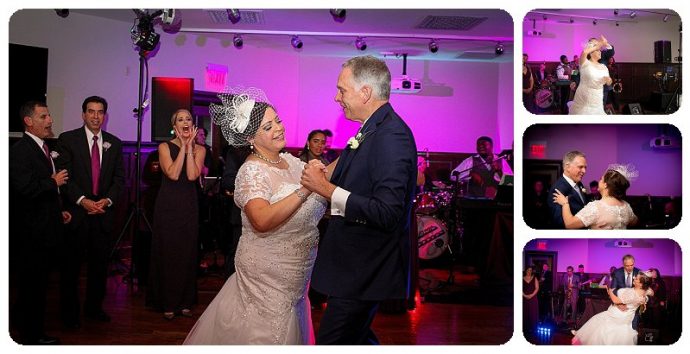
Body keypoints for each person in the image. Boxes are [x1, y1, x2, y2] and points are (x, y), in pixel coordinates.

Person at [184, 87, 327, 344]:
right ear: (251, 137)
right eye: (268, 127)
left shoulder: (290, 161)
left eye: (278, 121)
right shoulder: (251, 172)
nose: (279, 129)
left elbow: (324, 175)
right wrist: (307, 188)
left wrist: (355, 150)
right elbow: (261, 220)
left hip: (295, 273)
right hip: (266, 274)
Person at [301, 55, 417, 344]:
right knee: (357, 338)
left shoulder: (392, 135)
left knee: (333, 341)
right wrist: (325, 172)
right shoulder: (371, 128)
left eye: (342, 90)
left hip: (366, 269)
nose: (336, 97)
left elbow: (388, 212)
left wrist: (326, 189)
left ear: (365, 93)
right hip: (355, 267)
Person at [56, 96, 125, 326]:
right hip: (77, 214)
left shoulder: (114, 143)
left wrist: (106, 201)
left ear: (105, 116)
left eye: (100, 112)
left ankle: (94, 309)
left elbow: (119, 179)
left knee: (99, 267)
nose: (96, 116)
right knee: (71, 268)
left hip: (103, 214)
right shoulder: (68, 140)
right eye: (91, 111)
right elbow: (65, 178)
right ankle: (69, 314)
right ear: (83, 114)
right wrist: (83, 200)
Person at [9, 101, 71, 344]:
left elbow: (42, 193)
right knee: (31, 287)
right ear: (29, 121)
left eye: (49, 116)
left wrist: (59, 211)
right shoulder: (20, 150)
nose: (50, 121)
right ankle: (31, 337)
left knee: (37, 285)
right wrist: (53, 182)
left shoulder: (43, 148)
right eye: (44, 116)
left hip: (46, 228)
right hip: (31, 235)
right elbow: (24, 188)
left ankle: (26, 327)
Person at [147, 109, 206, 320]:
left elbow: (191, 175)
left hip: (188, 204)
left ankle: (185, 301)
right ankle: (168, 302)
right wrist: (182, 147)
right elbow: (172, 173)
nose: (185, 122)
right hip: (168, 205)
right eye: (180, 119)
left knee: (187, 251)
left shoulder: (200, 149)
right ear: (174, 125)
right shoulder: (164, 147)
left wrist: (190, 146)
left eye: (188, 119)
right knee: (168, 251)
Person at [572, 272, 652, 345]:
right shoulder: (644, 291)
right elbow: (650, 292)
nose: (634, 278)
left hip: (617, 315)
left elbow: (616, 300)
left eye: (637, 278)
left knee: (602, 330)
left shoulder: (632, 293)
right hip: (624, 315)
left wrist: (610, 292)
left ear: (641, 284)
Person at [553, 164, 638, 229]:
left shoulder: (596, 207)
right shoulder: (626, 206)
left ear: (605, 185)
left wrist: (565, 204)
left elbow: (569, 224)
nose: (599, 181)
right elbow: (634, 222)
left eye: (601, 179)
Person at [569, 36, 615, 115]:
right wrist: (573, 81)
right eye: (593, 44)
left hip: (601, 89)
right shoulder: (584, 57)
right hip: (585, 90)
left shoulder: (603, 54)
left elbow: (611, 52)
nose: (596, 46)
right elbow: (576, 71)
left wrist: (605, 43)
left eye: (596, 44)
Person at [547, 151, 588, 228]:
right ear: (567, 167)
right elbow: (559, 223)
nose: (584, 171)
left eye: (585, 167)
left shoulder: (579, 184)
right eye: (580, 167)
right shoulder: (558, 189)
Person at [611, 254, 643, 330]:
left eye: (631, 265)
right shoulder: (617, 273)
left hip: (633, 308)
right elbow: (613, 290)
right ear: (623, 264)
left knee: (632, 329)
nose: (629, 268)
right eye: (627, 266)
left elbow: (643, 289)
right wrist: (619, 304)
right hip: (620, 306)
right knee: (620, 330)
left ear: (634, 263)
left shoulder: (639, 272)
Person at [523, 265, 539, 340]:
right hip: (524, 298)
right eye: (528, 270)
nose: (529, 271)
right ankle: (526, 328)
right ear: (525, 270)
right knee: (525, 313)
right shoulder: (521, 278)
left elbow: (537, 288)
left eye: (530, 270)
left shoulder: (534, 278)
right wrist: (525, 295)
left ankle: (533, 328)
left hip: (533, 299)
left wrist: (531, 295)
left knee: (533, 313)